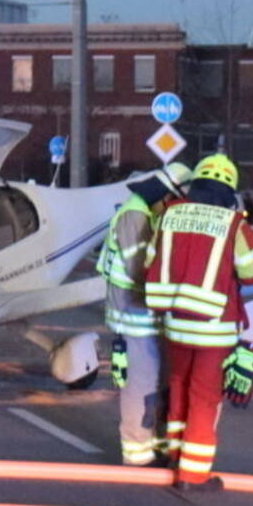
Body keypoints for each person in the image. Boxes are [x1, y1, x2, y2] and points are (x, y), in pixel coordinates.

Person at [144, 154, 253, 491]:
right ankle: (194, 475)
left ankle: (174, 455)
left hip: (175, 322)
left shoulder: (170, 215)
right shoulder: (233, 224)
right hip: (214, 327)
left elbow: (152, 260)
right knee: (204, 398)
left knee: (180, 386)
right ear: (230, 190)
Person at [97, 162, 192, 466]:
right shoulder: (135, 215)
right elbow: (140, 269)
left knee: (158, 380)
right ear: (168, 196)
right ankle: (137, 453)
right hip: (133, 313)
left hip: (144, 312)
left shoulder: (144, 210)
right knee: (141, 383)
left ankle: (157, 443)